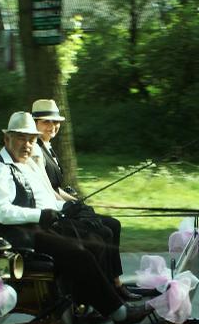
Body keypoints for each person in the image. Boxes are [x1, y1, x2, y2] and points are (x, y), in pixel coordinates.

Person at [0, 111, 152, 324]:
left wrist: (66, 207)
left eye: (31, 140)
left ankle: (84, 306)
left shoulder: (23, 164)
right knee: (77, 254)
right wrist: (40, 216)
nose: (27, 144)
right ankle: (120, 314)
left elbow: (42, 201)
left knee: (95, 239)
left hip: (34, 230)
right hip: (15, 239)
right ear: (7, 139)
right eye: (21, 138)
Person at [30, 98, 137, 301]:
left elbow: (57, 187)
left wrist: (78, 201)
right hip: (55, 211)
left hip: (62, 203)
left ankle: (113, 282)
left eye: (55, 122)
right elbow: (47, 190)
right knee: (105, 230)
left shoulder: (48, 148)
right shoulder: (36, 150)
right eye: (46, 122)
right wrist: (72, 204)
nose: (52, 126)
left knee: (114, 225)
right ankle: (106, 289)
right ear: (35, 123)